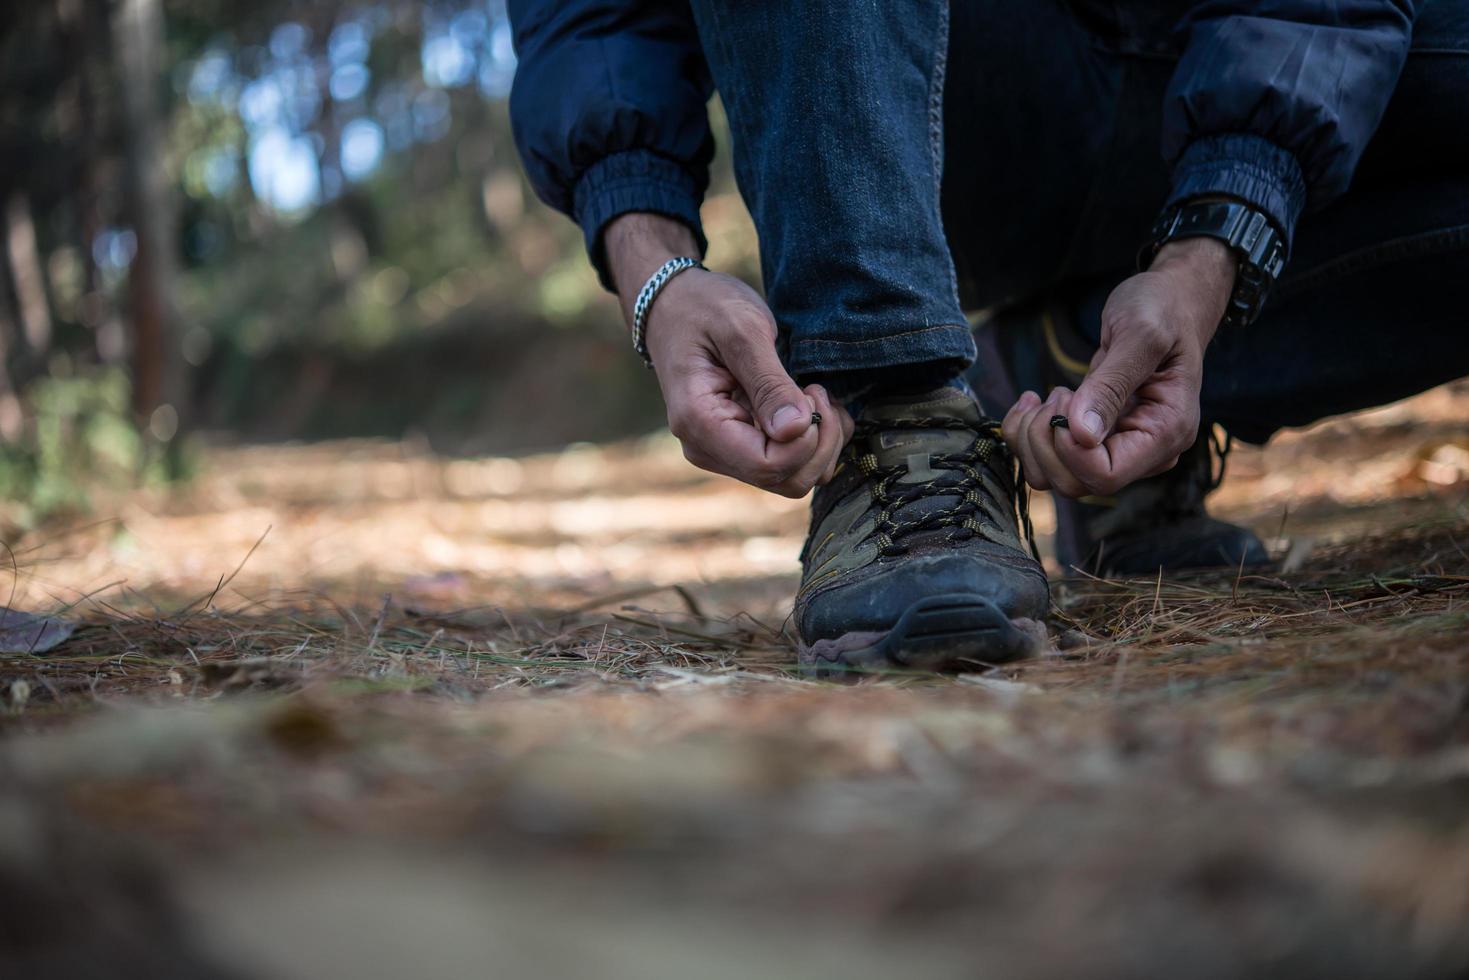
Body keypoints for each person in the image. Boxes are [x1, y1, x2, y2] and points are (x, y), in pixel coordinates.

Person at [506, 0, 1469, 674]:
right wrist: (655, 275)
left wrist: (1214, 247)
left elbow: (1323, 12)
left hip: (1229, 49)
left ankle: (1081, 356)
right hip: (920, 89)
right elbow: (590, 17)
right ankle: (896, 406)